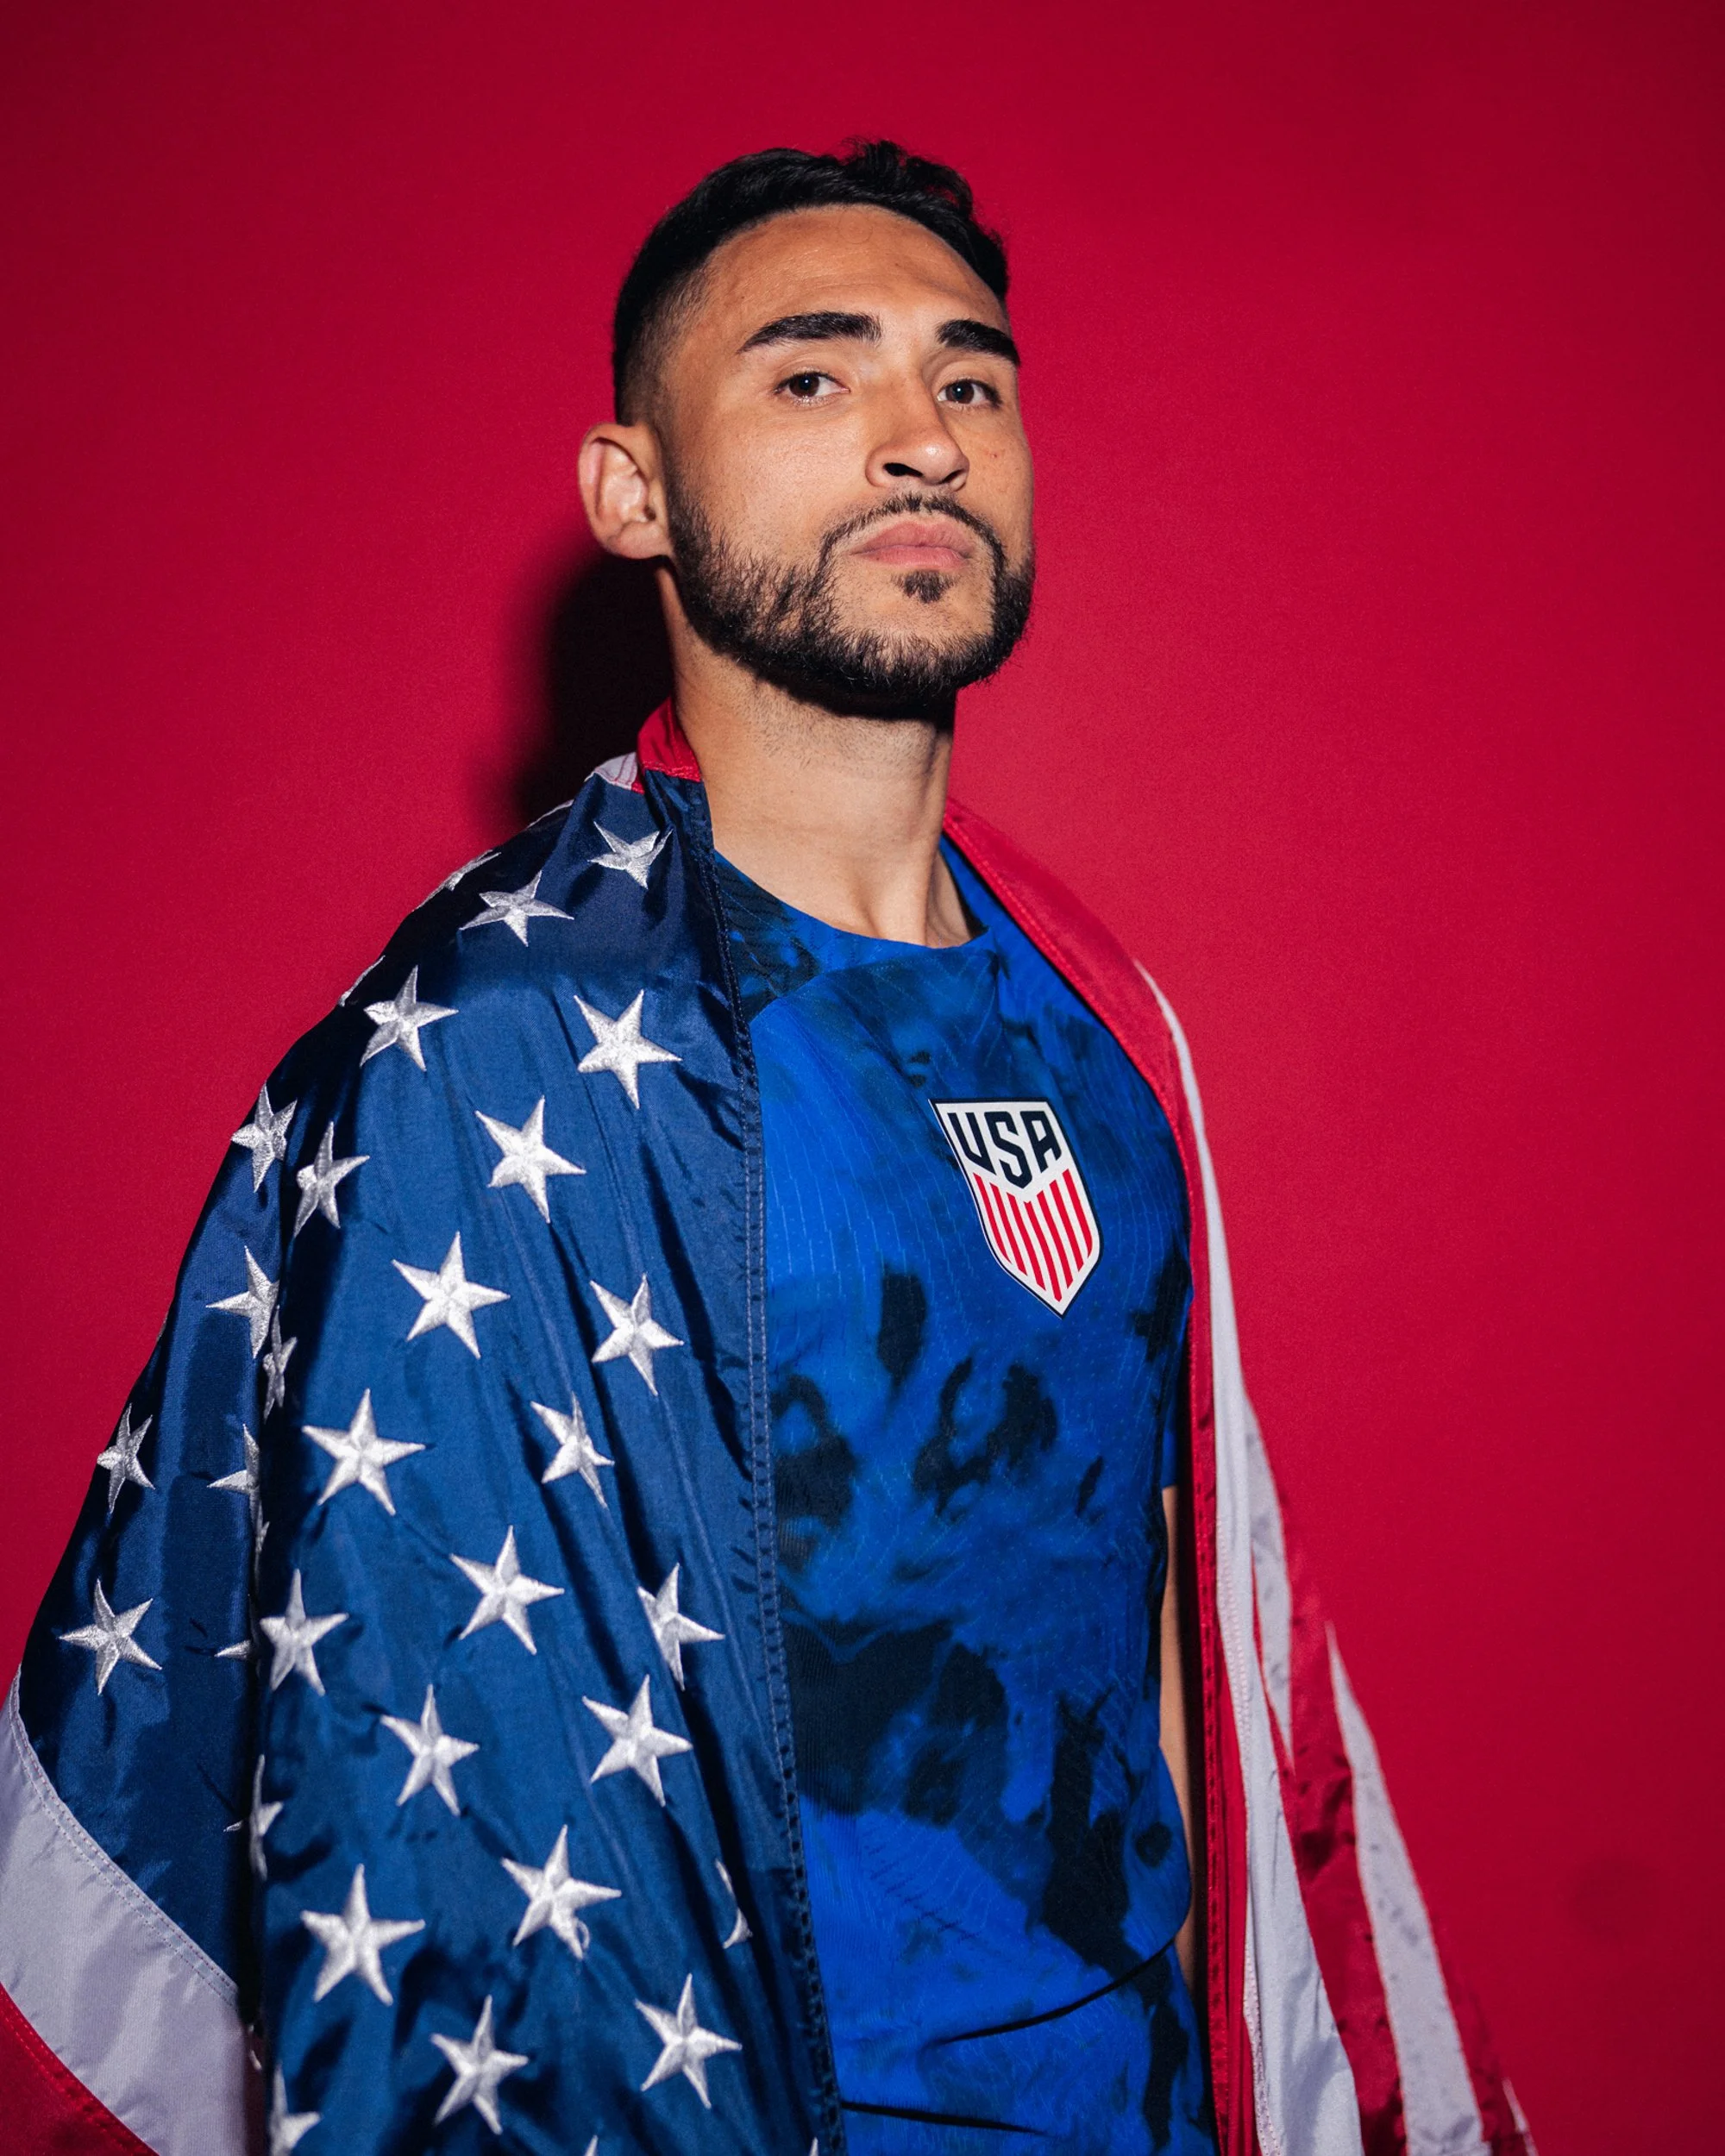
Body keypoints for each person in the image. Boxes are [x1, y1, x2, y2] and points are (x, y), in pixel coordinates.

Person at [0, 142, 1532, 2156]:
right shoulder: (505, 1045)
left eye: (969, 380)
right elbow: (431, 1809)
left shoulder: (1104, 1022)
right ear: (632, 487)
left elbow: (1152, 1622)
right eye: (813, 378)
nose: (919, 436)